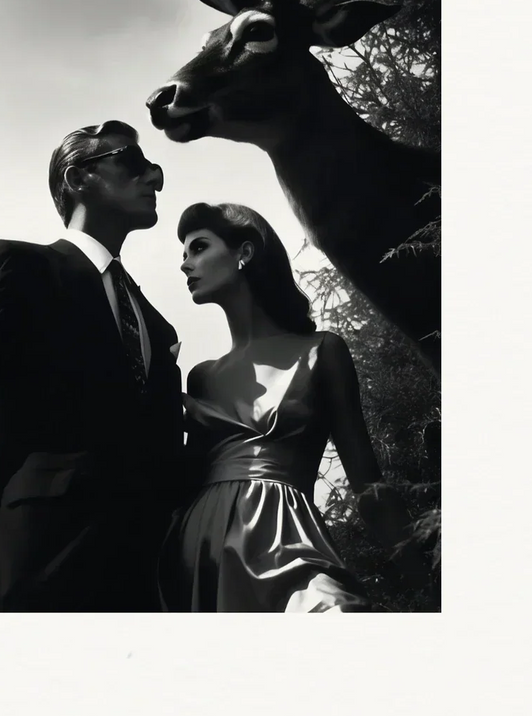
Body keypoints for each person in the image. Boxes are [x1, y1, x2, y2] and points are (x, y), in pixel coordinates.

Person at [0, 120, 186, 611]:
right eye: (133, 162)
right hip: (25, 569)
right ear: (79, 179)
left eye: (154, 167)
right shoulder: (18, 268)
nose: (156, 177)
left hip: (141, 586)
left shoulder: (158, 329)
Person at [160, 202, 422, 613]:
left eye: (198, 248)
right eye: (185, 254)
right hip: (202, 551)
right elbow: (177, 485)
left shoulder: (322, 352)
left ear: (244, 253)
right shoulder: (201, 377)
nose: (185, 264)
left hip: (286, 539)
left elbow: (368, 485)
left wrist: (427, 582)